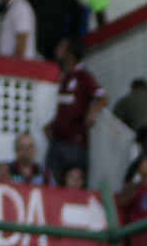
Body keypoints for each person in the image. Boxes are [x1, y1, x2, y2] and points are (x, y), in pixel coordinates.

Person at [43, 36, 104, 184]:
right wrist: (52, 124)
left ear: (70, 53)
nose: (57, 50)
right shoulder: (65, 76)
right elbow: (67, 107)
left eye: (61, 47)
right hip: (57, 138)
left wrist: (92, 112)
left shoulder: (83, 76)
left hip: (74, 141)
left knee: (74, 180)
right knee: (52, 179)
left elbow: (103, 97)